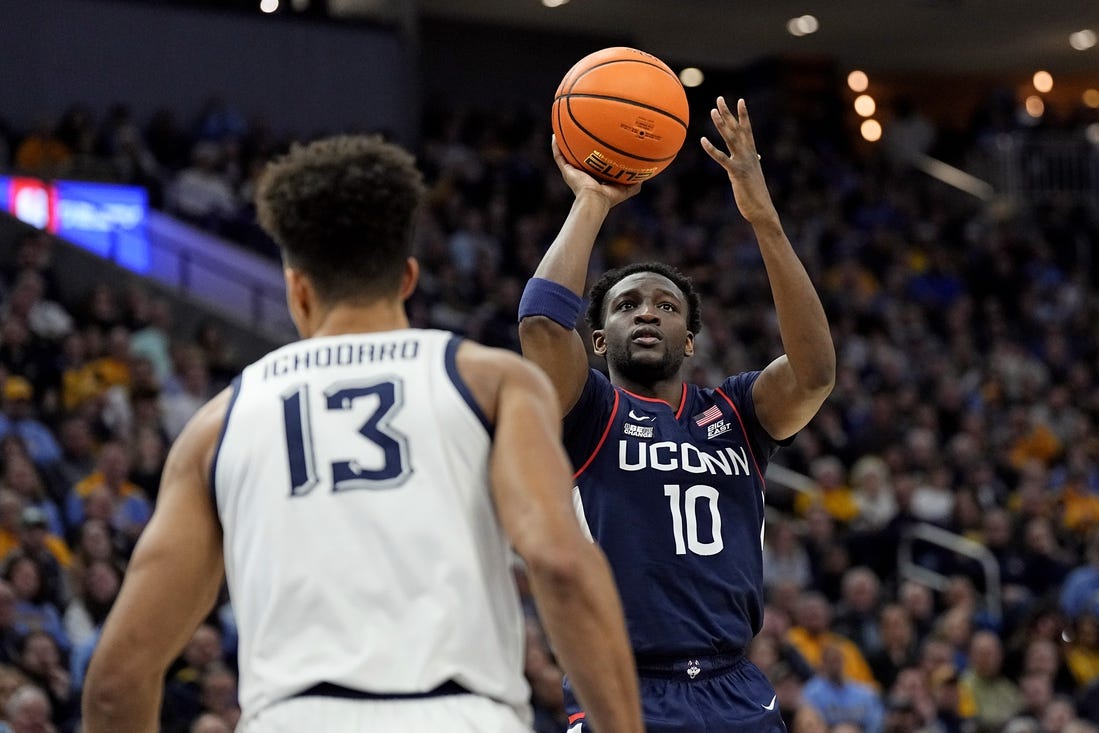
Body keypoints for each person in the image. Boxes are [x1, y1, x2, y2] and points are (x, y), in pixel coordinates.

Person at [81, 134, 644, 733]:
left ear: (297, 289)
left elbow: (118, 682)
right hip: (460, 714)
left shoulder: (215, 427)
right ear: (407, 277)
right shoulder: (493, 384)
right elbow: (560, 565)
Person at [518, 96, 836, 732]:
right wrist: (593, 202)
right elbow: (541, 324)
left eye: (665, 306)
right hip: (622, 684)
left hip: (733, 686)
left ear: (689, 340)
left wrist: (763, 218)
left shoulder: (737, 414)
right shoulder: (587, 411)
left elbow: (814, 374)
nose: (646, 312)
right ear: (599, 339)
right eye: (627, 304)